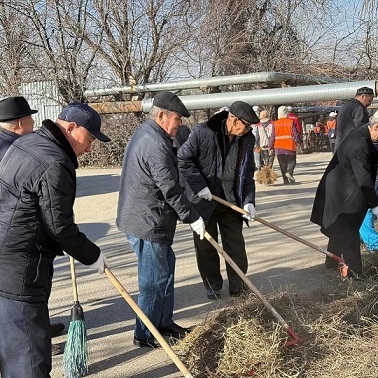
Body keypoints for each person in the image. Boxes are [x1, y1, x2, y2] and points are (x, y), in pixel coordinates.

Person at [0, 102, 110, 378]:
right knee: (28, 360)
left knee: (9, 350)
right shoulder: (55, 161)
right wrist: (92, 255)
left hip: (5, 261)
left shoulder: (28, 143)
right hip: (20, 269)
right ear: (72, 128)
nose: (90, 147)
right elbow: (59, 227)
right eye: (90, 138)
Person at [116, 91, 205, 349]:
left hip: (150, 217)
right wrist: (191, 217)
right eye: (177, 119)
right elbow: (170, 188)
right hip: (147, 221)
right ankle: (144, 333)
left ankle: (163, 323)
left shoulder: (150, 134)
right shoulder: (155, 144)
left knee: (165, 269)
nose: (179, 124)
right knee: (154, 279)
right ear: (162, 115)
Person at [0, 96, 65, 355]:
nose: (33, 122)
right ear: (19, 123)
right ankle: (38, 340)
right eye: (29, 118)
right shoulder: (14, 150)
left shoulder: (9, 144)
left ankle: (40, 330)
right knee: (24, 295)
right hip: (18, 239)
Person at [177, 101, 258, 300]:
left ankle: (238, 286)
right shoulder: (203, 132)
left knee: (236, 245)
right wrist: (199, 187)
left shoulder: (247, 138)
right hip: (204, 201)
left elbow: (247, 173)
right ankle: (212, 286)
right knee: (206, 247)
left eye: (249, 127)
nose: (247, 129)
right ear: (233, 119)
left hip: (231, 201)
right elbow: (183, 159)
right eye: (245, 125)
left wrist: (248, 201)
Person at [310, 120, 378, 278]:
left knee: (338, 225)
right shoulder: (358, 145)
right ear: (375, 127)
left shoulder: (367, 134)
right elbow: (363, 177)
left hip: (344, 186)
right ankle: (354, 274)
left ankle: (331, 261)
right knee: (348, 229)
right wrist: (374, 204)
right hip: (342, 189)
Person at [273, 106, 301, 184]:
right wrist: (299, 141)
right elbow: (295, 134)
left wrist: (270, 146)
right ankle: (289, 172)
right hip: (289, 146)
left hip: (278, 147)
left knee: (282, 165)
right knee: (292, 161)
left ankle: (285, 180)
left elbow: (272, 136)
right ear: (286, 113)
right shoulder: (290, 122)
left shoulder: (275, 123)